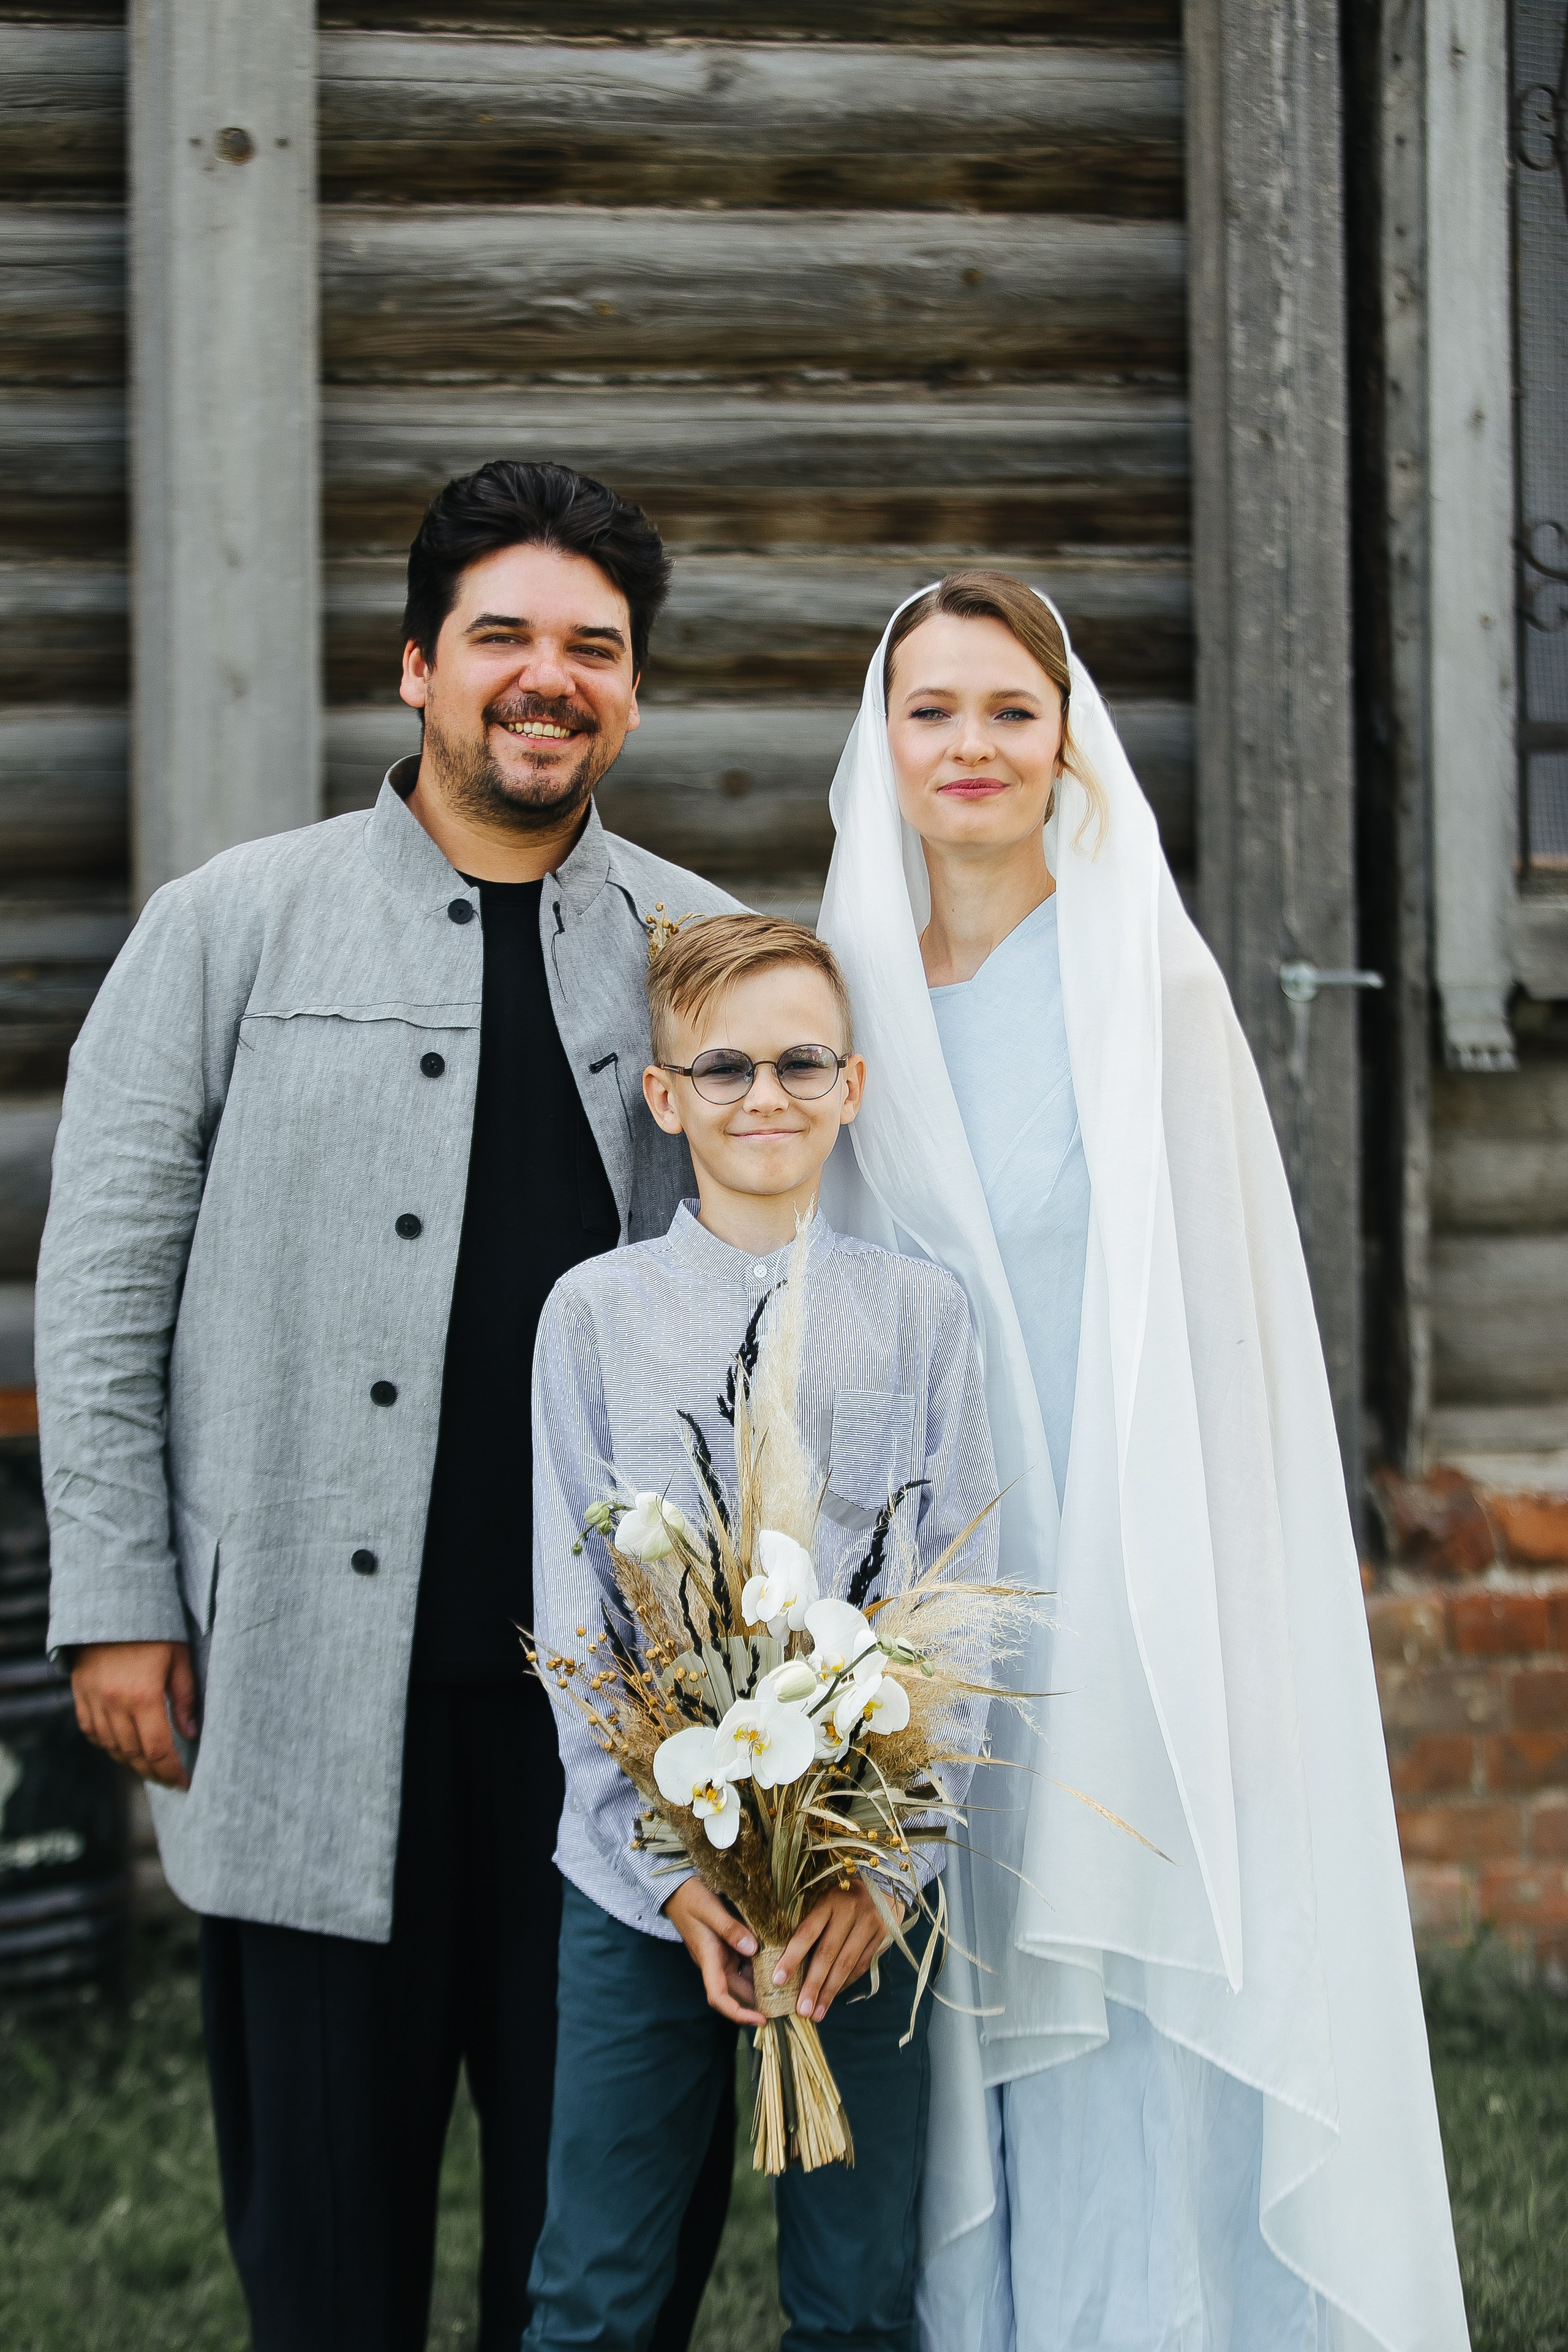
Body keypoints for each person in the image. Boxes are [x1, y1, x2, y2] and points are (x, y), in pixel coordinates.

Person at [36, 461, 739, 2351]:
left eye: (593, 648)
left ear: (632, 696)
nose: (548, 677)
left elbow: (771, 1313)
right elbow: (102, 1281)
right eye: (502, 636)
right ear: (416, 668)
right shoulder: (228, 927)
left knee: (601, 2241)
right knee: (328, 2248)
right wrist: (117, 1596)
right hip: (306, 1697)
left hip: (608, 1725)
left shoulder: (703, 957)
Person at [817, 573, 1470, 2351]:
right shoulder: (841, 997)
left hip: (1133, 1605)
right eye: (932, 708)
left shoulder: (1144, 992)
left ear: (1069, 748)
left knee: (1126, 2028)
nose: (969, 746)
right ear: (881, 740)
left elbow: (1235, 1355)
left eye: (1008, 712)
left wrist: (1235, 1656)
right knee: (965, 2046)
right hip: (930, 1636)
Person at [521, 913, 998, 2352]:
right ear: (662, 1096)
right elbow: (576, 1610)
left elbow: (956, 1599)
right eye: (721, 1068)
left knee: (855, 2296)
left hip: (860, 1876)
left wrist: (891, 1865)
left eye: (800, 1064)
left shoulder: (917, 1315)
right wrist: (670, 1874)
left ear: (852, 1085)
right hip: (639, 1882)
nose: (764, 1098)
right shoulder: (593, 1313)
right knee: (595, 2289)